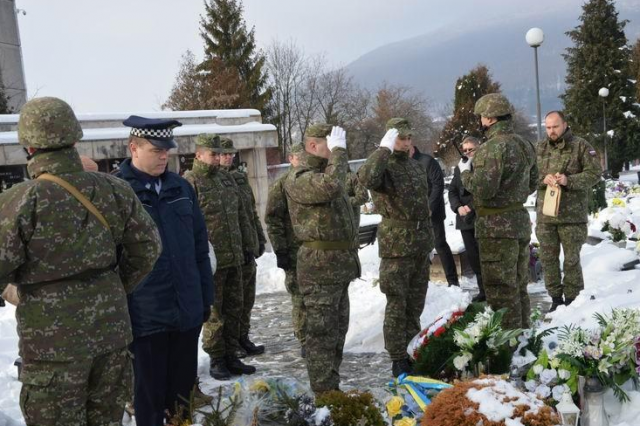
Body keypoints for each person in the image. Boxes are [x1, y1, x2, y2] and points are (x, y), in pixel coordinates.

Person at [0, 97, 161, 426]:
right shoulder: (115, 190)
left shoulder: (19, 201)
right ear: (75, 141)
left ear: (28, 146)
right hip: (111, 335)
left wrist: (17, 292)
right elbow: (148, 248)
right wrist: (112, 287)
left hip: (52, 348)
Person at [116, 116, 214, 426]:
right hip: (144, 317)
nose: (164, 156)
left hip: (186, 311)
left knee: (182, 399)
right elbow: (111, 260)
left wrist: (204, 298)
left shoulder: (180, 187)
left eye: (167, 150)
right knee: (149, 399)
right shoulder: (117, 191)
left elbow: (199, 247)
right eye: (156, 150)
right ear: (134, 148)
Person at [284, 123, 360, 394]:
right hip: (319, 268)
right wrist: (339, 154)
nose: (337, 148)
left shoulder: (325, 173)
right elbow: (331, 187)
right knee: (321, 335)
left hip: (338, 267)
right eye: (331, 143)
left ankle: (332, 387)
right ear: (313, 146)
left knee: (337, 332)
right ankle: (323, 394)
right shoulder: (299, 178)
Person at [358, 118, 434, 377]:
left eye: (409, 138)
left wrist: (429, 240)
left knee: (415, 304)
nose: (406, 142)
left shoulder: (415, 167)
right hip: (397, 246)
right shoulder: (384, 166)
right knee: (397, 303)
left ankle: (413, 349)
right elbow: (366, 177)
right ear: (391, 138)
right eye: (401, 138)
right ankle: (397, 356)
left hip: (419, 243)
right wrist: (383, 149)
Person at [460, 93, 538, 329]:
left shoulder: (490, 148)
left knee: (501, 291)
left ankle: (507, 343)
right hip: (518, 222)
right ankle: (523, 336)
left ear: (490, 118)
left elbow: (483, 190)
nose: (480, 121)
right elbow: (532, 182)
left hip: (496, 228)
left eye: (482, 117)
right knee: (519, 285)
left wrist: (465, 173)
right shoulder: (525, 144)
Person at [184, 134, 256, 380]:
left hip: (235, 256)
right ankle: (216, 358)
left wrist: (248, 244)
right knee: (215, 314)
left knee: (235, 309)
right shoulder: (190, 182)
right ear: (198, 154)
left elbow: (241, 215)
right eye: (212, 154)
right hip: (212, 261)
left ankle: (231, 354)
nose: (217, 158)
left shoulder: (226, 179)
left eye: (219, 154)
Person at [535, 111, 601, 311]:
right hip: (546, 215)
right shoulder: (539, 148)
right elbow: (528, 176)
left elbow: (594, 173)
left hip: (572, 216)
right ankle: (555, 298)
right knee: (548, 259)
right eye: (548, 127)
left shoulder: (581, 146)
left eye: (555, 126)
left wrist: (569, 180)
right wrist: (542, 179)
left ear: (564, 124)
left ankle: (573, 300)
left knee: (571, 260)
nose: (551, 131)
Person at [219, 137, 267, 356]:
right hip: (228, 250)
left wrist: (259, 238)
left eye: (231, 154)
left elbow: (251, 212)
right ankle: (229, 345)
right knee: (229, 305)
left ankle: (242, 337)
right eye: (224, 154)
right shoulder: (212, 182)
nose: (228, 157)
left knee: (246, 298)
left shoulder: (239, 178)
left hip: (247, 248)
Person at [265, 143, 306, 357]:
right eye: (300, 158)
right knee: (300, 298)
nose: (304, 162)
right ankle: (305, 339)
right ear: (291, 159)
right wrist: (281, 250)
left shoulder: (314, 181)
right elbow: (273, 219)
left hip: (316, 253)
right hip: (294, 252)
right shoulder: (282, 184)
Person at [411, 144, 459, 287]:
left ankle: (453, 281)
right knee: (418, 248)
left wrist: (429, 207)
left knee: (440, 244)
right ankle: (423, 282)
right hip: (414, 214)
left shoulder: (427, 161)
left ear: (411, 146)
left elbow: (438, 185)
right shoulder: (404, 164)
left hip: (433, 212)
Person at [448, 136, 485, 302]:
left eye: (471, 149)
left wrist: (470, 206)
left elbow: (483, 190)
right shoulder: (460, 167)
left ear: (478, 148)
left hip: (480, 217)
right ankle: (483, 291)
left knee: (485, 256)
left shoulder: (483, 165)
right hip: (465, 220)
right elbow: (452, 191)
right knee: (473, 257)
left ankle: (490, 290)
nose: (468, 153)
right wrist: (458, 207)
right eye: (465, 150)